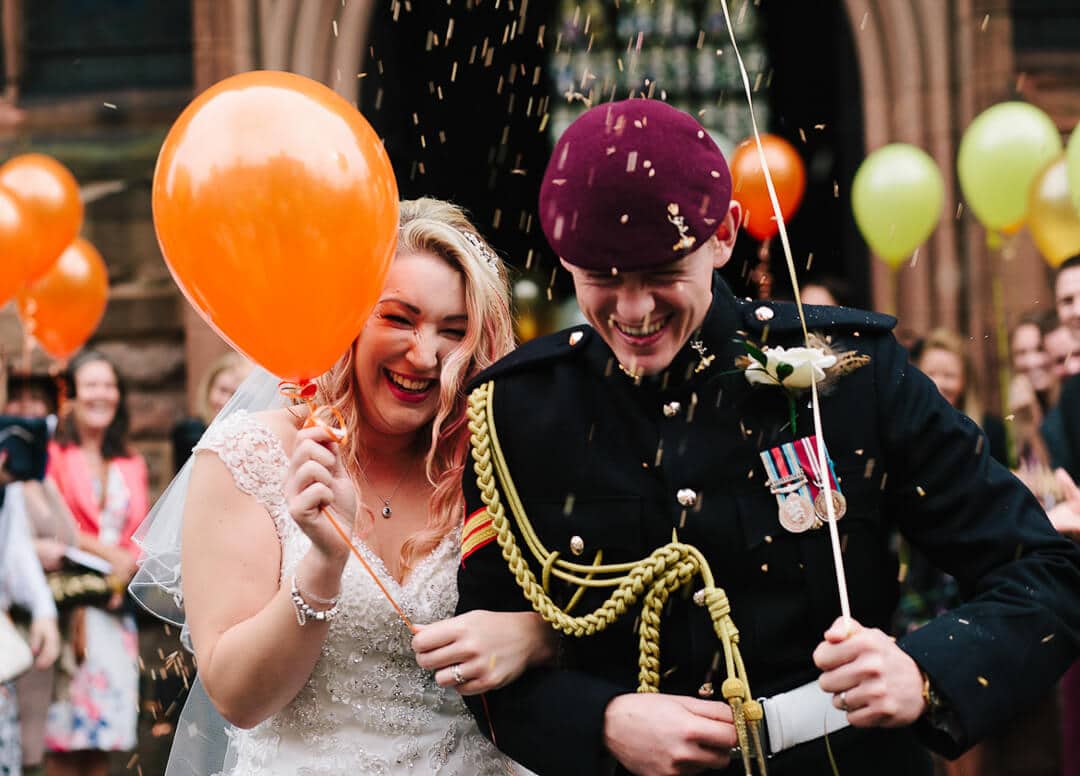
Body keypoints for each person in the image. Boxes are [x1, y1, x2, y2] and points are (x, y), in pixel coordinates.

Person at [454, 99, 1080, 776]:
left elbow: (1044, 574)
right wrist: (599, 721)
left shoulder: (856, 373)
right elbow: (486, 663)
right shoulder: (518, 408)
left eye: (662, 271)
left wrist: (924, 673)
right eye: (601, 278)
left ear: (723, 234)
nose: (632, 311)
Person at [132, 198, 553, 775]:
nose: (425, 355)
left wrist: (535, 637)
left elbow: (594, 621)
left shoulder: (493, 460)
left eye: (452, 332)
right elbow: (237, 698)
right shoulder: (248, 457)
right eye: (399, 318)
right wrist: (323, 566)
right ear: (346, 318)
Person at [44, 351, 147, 776]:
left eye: (110, 385)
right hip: (68, 611)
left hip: (114, 615)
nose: (102, 394)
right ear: (70, 395)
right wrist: (110, 556)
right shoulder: (52, 455)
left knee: (103, 743)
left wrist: (128, 568)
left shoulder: (131, 461)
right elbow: (54, 527)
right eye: (92, 385)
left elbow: (141, 532)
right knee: (63, 743)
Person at [170, 352, 252, 473]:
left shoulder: (250, 438)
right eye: (222, 390)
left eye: (234, 395)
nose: (226, 401)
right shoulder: (190, 432)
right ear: (209, 388)